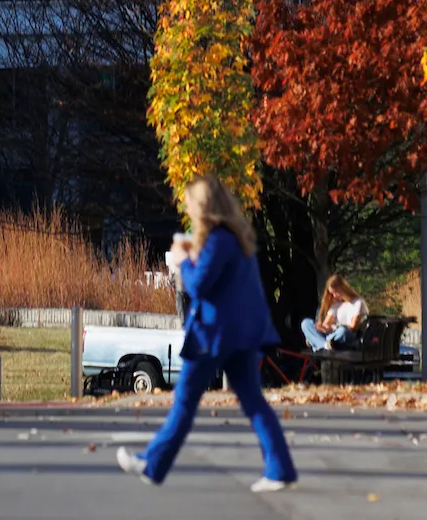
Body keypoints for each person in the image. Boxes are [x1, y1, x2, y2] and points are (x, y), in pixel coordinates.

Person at [117, 179, 298, 493]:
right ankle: (279, 468)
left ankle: (153, 463)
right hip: (239, 335)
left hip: (214, 336)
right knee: (253, 402)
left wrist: (181, 261)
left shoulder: (218, 240)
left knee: (185, 403)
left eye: (189, 204)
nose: (187, 209)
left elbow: (199, 285)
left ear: (203, 208)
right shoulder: (236, 240)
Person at [299, 275, 368, 353]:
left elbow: (353, 327)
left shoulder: (358, 302)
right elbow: (326, 324)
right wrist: (321, 328)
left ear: (342, 289)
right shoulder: (336, 305)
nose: (334, 296)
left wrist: (333, 328)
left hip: (345, 335)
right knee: (306, 323)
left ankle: (316, 342)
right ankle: (324, 345)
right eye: (332, 294)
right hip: (330, 338)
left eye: (336, 292)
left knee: (343, 331)